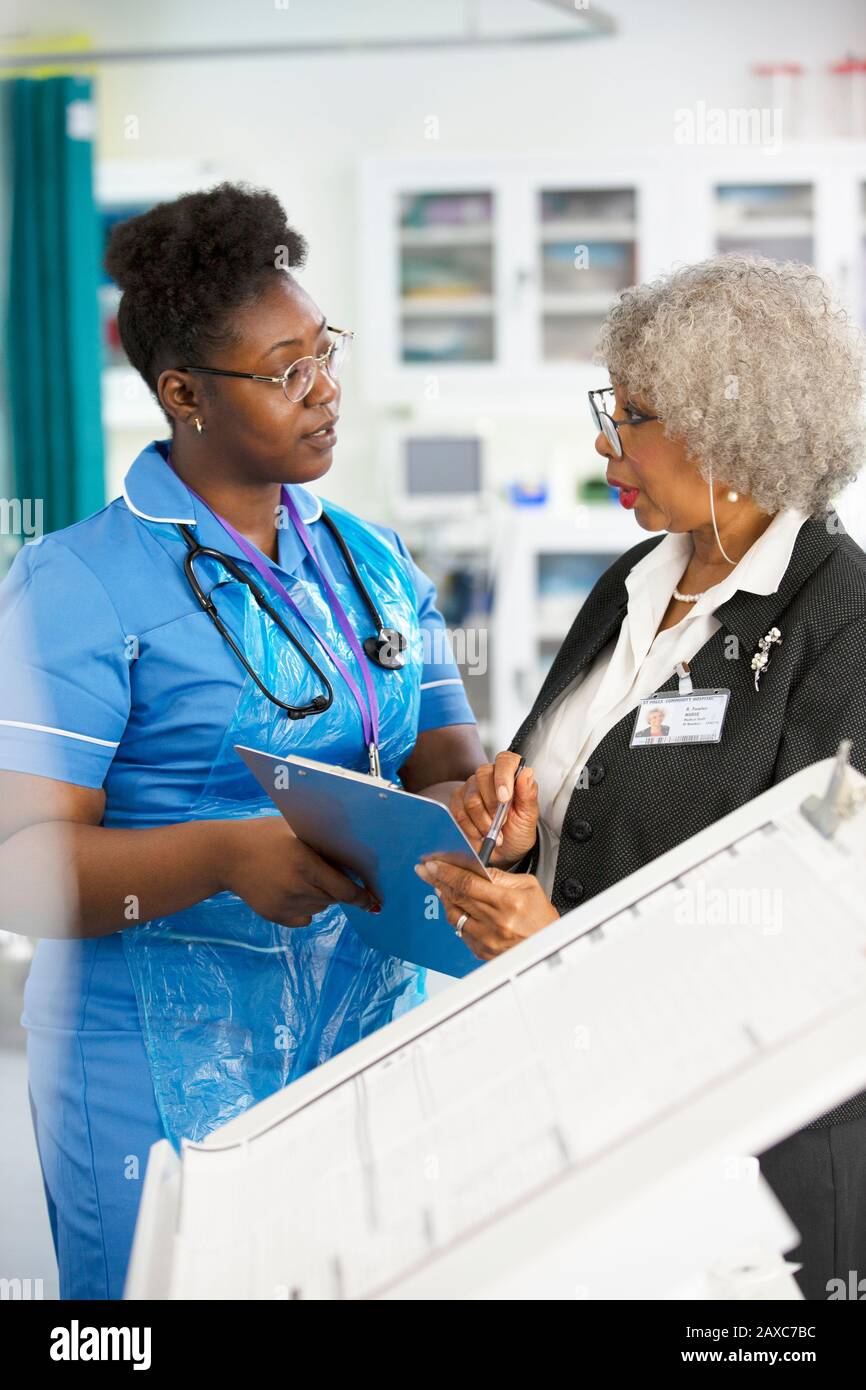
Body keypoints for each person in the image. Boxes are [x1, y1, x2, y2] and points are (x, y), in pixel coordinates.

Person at [0, 182, 484, 1299]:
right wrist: (226, 854)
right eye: (284, 371)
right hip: (152, 1071)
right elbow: (22, 871)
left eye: (324, 352)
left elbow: (440, 752)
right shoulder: (74, 584)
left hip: (361, 1034)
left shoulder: (368, 557)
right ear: (183, 393)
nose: (326, 392)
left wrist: (479, 798)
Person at [418, 255, 866, 1298]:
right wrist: (519, 821)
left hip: (758, 1150)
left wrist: (562, 942)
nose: (600, 439)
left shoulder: (840, 624)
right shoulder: (636, 577)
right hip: (587, 1107)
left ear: (733, 429)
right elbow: (581, 788)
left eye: (631, 414)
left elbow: (822, 941)